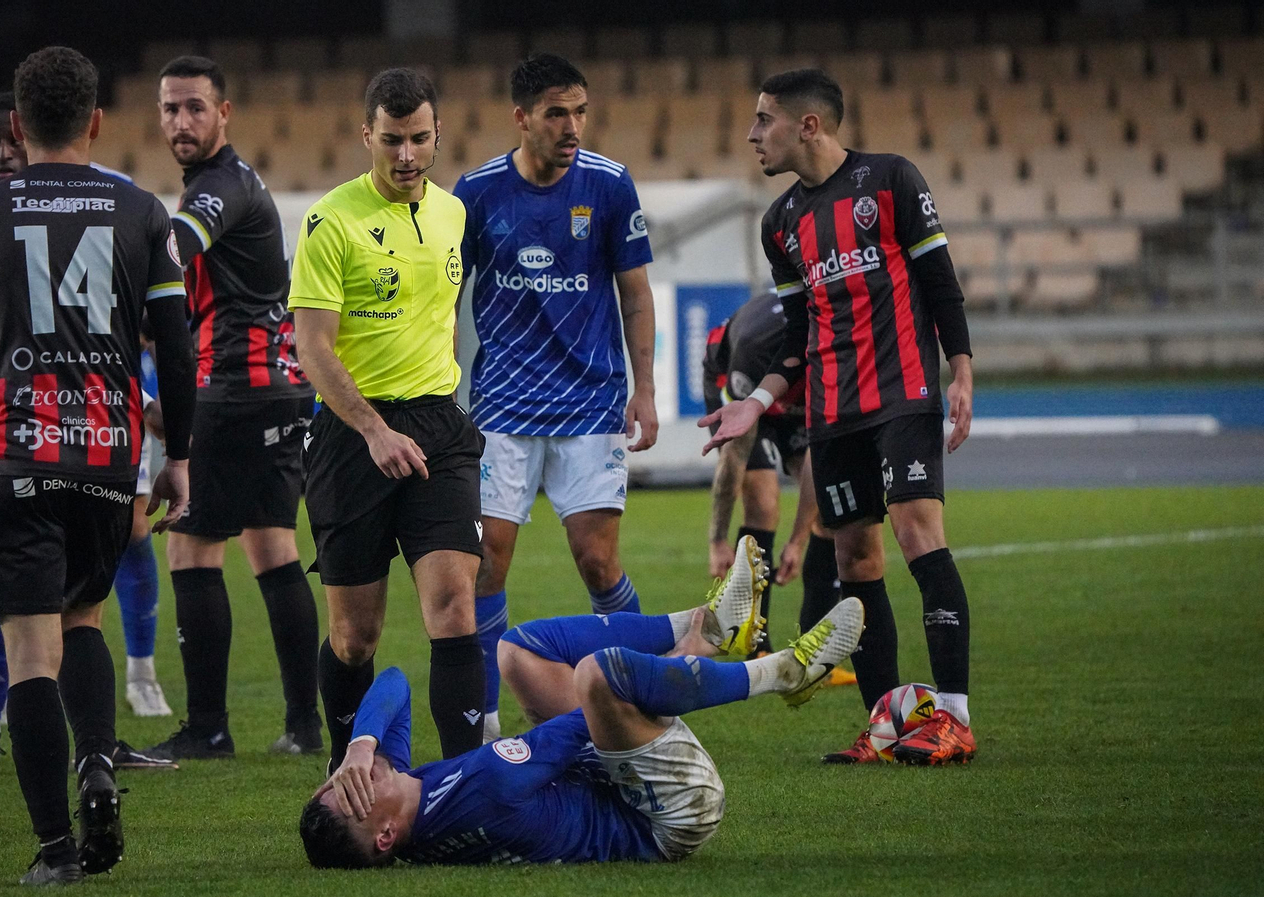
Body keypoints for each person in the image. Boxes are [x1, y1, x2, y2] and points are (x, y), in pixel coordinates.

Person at [0, 46, 197, 884]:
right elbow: (175, 348)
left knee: (32, 652)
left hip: (17, 449)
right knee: (84, 622)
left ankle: (56, 848)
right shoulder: (141, 211)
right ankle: (97, 763)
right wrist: (180, 458)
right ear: (97, 122)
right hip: (107, 456)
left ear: (18, 128)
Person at [702, 68, 977, 766]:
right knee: (856, 557)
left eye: (764, 120)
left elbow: (941, 283)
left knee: (918, 533)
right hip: (833, 411)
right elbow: (797, 337)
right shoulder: (780, 224)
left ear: (809, 126)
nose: (752, 134)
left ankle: (954, 716)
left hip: (905, 392)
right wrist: (756, 404)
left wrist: (963, 371)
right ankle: (885, 722)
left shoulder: (890, 180)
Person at [296, 538, 864, 868]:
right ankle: (777, 671)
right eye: (353, 792)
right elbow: (585, 723)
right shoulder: (484, 794)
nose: (354, 775)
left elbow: (392, 679)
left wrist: (361, 743)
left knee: (516, 653)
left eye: (339, 778)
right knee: (599, 677)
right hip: (669, 811)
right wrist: (674, 671)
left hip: (616, 780)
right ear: (385, 836)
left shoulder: (408, 796)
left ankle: (701, 625)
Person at [0, 92, 175, 782]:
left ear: (24, 133)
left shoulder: (96, 208)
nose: (2, 154)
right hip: (8, 432)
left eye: (7, 142)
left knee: (113, 551)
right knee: (21, 590)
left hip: (88, 417)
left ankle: (106, 724)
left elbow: (111, 332)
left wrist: (146, 400)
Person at [452, 54, 659, 742]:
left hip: (589, 402)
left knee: (598, 562)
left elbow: (635, 294)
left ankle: (642, 692)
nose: (572, 127)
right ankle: (482, 725)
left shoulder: (608, 185)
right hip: (503, 408)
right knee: (486, 564)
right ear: (521, 117)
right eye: (555, 113)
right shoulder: (476, 193)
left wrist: (646, 390)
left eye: (580, 112)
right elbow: (444, 294)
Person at [288, 68, 485, 770]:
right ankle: (349, 771)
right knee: (355, 637)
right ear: (365, 134)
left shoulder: (453, 213)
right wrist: (374, 429)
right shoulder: (330, 221)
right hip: (351, 437)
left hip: (437, 427)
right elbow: (312, 347)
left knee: (455, 606)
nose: (407, 155)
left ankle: (466, 782)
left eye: (420, 139)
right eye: (393, 139)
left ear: (438, 136)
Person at [142, 55, 323, 761]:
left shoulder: (218, 189)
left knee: (190, 548)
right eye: (168, 109)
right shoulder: (235, 182)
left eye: (193, 107)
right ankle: (304, 726)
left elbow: (172, 249)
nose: (180, 121)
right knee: (274, 547)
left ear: (225, 113)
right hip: (274, 389)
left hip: (234, 391)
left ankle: (208, 727)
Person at [701, 293, 854, 685]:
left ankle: (814, 655)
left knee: (832, 515)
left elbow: (819, 462)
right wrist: (717, 541)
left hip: (794, 402)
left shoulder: (838, 351)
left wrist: (798, 543)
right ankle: (755, 645)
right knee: (763, 502)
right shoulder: (755, 352)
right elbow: (734, 457)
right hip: (745, 391)